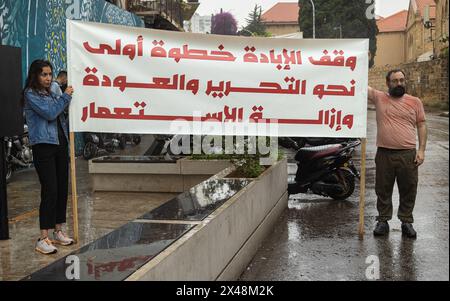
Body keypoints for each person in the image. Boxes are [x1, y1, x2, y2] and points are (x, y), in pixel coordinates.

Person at [368, 69, 428, 239]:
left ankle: (406, 221)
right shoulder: (379, 97)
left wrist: (421, 150)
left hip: (408, 154)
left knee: (409, 188)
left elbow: (422, 125)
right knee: (382, 189)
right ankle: (383, 221)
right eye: (395, 81)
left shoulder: (415, 102)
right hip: (384, 153)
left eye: (402, 80)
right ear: (388, 83)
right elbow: (360, 86)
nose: (399, 83)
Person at [23, 60, 74, 254]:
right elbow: (51, 113)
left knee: (62, 189)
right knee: (50, 189)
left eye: (50, 74)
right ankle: (42, 237)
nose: (48, 78)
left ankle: (58, 231)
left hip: (60, 145)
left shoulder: (52, 93)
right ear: (35, 75)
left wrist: (63, 98)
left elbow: (60, 112)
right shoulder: (30, 94)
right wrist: (65, 97)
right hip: (44, 146)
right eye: (43, 74)